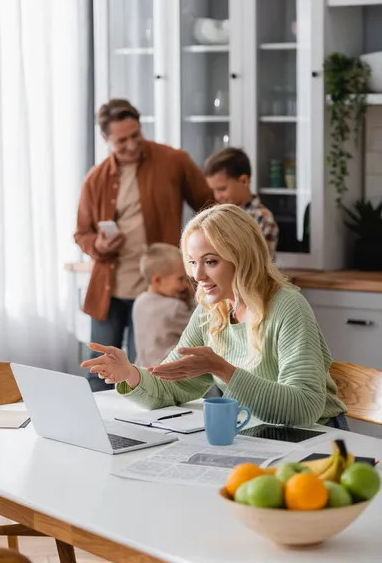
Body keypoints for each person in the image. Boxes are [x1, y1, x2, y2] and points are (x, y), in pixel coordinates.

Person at [81, 204, 349, 430]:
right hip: (256, 429)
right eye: (193, 262)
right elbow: (172, 388)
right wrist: (130, 373)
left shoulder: (288, 306)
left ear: (242, 258)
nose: (197, 276)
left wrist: (222, 369)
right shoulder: (212, 311)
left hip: (317, 436)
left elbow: (304, 409)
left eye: (210, 262)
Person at [74, 98, 213, 391]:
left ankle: (143, 434)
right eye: (122, 140)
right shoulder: (96, 179)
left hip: (156, 291)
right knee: (100, 370)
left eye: (136, 134)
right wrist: (98, 245)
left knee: (145, 372)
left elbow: (210, 208)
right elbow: (81, 234)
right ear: (105, 138)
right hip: (110, 290)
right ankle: (99, 433)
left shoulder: (174, 161)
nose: (132, 144)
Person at [203, 147, 279, 258]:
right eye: (213, 190)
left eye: (222, 189)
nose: (217, 196)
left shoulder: (263, 219)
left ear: (244, 181)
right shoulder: (216, 216)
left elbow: (259, 265)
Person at [132, 243, 194, 369]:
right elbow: (199, 326)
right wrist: (194, 298)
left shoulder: (139, 301)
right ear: (157, 280)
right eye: (180, 279)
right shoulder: (173, 307)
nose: (185, 285)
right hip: (170, 372)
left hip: (144, 370)